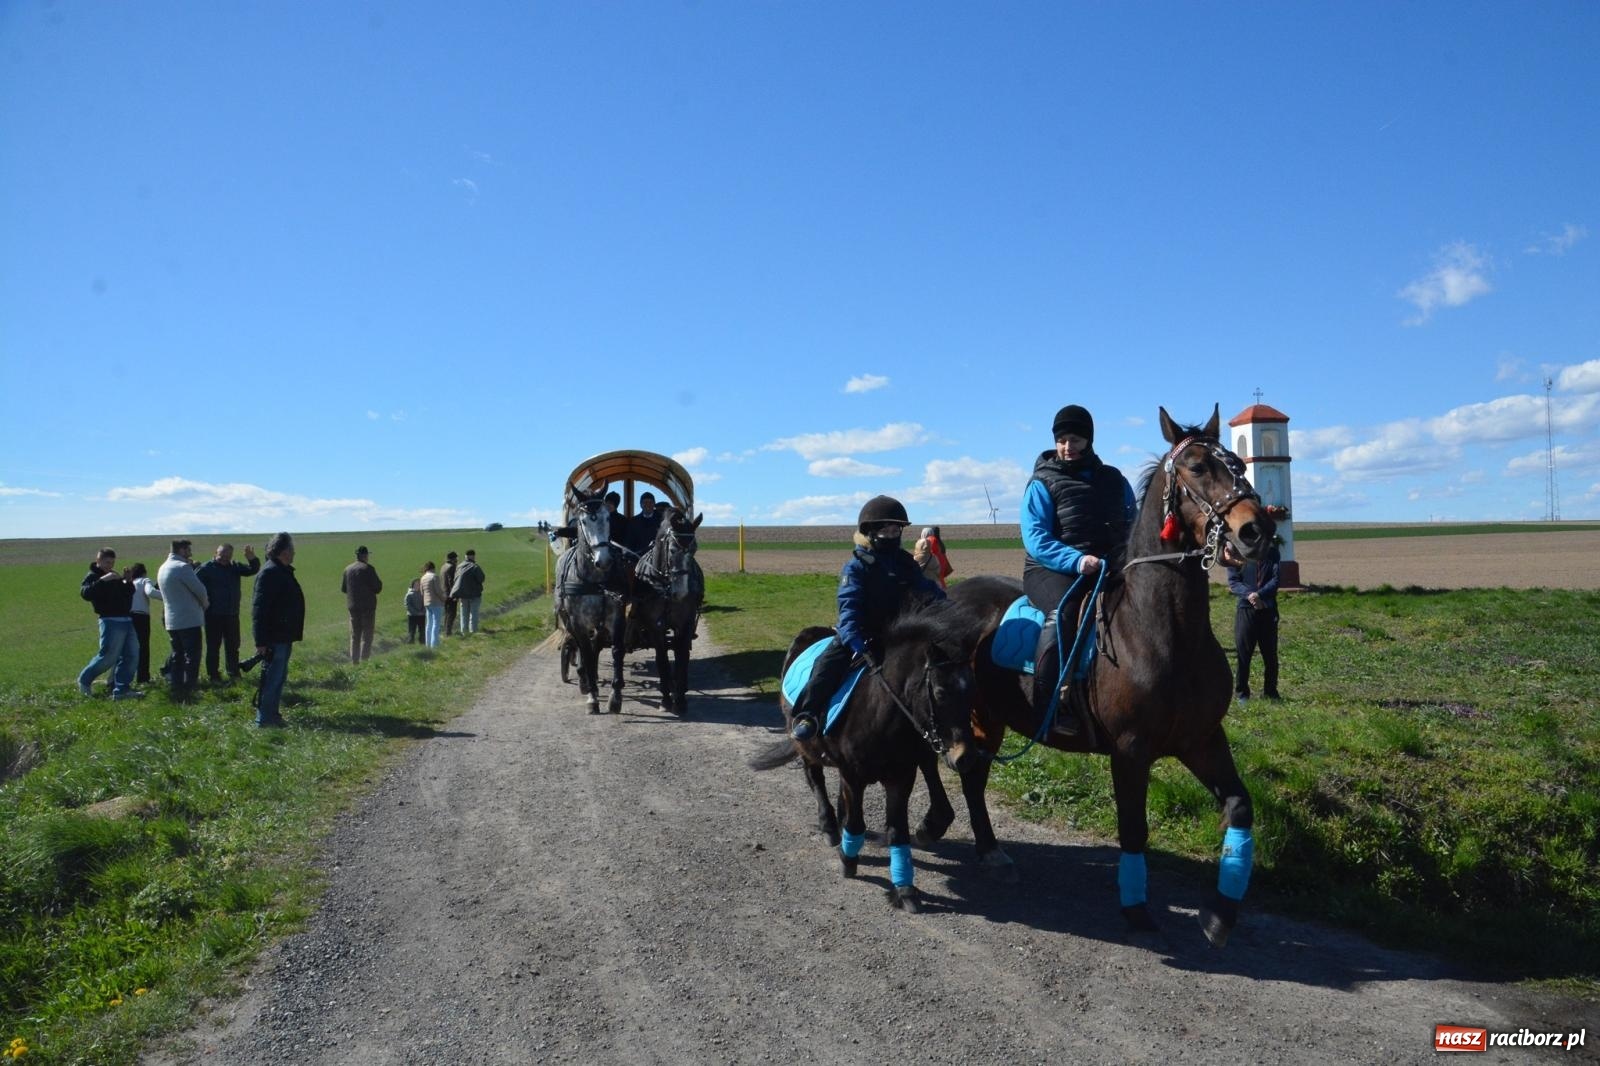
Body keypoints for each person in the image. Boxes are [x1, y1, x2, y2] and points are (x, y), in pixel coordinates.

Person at [1021, 404, 1136, 738]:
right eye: (1061, 440)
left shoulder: (1115, 480)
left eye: (1075, 439)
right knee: (1065, 613)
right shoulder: (1042, 482)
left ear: (1089, 440)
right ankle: (1050, 706)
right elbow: (1036, 538)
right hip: (1051, 570)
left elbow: (1133, 522)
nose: (1067, 446)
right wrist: (1076, 560)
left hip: (1107, 567)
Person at [788, 496, 945, 741]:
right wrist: (854, 640)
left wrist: (950, 607)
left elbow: (928, 590)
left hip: (899, 635)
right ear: (870, 532)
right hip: (860, 636)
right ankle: (808, 714)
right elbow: (849, 610)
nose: (892, 535)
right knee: (827, 666)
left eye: (896, 530)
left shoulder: (905, 562)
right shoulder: (856, 568)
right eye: (886, 530)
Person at [250, 532, 305, 727]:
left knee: (278, 678)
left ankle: (272, 715)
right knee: (272, 679)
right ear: (283, 551)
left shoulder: (280, 570)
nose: (294, 552)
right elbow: (259, 609)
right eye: (292, 549)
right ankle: (264, 720)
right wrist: (261, 642)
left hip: (282, 635)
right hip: (274, 637)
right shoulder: (270, 572)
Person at [78, 547, 142, 700]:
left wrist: (127, 581)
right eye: (106, 562)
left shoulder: (114, 575)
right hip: (110, 620)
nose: (110, 565)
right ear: (98, 561)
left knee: (131, 655)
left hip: (126, 619)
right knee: (108, 656)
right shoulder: (93, 576)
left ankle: (122, 689)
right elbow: (86, 594)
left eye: (112, 562)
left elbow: (126, 595)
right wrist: (102, 580)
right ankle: (84, 681)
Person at [1226, 540, 1282, 702]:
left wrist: (1260, 595)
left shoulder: (1272, 553)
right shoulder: (1236, 554)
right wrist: (1250, 595)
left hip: (1268, 609)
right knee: (1244, 654)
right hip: (1245, 610)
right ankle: (1242, 693)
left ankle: (1271, 692)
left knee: (1270, 654)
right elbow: (1234, 582)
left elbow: (1276, 580)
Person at [196, 542, 260, 682]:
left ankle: (233, 673)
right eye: (222, 554)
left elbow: (252, 570)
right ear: (215, 553)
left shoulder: (235, 567)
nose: (225, 557)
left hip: (232, 614)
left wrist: (252, 558)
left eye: (228, 555)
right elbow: (193, 585)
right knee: (213, 647)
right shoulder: (206, 568)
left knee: (233, 645)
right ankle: (213, 676)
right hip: (213, 615)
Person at [157, 539, 210, 699]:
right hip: (188, 618)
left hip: (171, 620)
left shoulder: (163, 567)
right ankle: (190, 686)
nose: (190, 554)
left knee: (177, 654)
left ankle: (176, 685)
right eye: (188, 550)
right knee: (192, 655)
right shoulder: (182, 567)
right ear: (181, 550)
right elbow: (200, 590)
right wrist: (205, 604)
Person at [340, 545, 384, 662]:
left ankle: (354, 662)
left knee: (355, 636)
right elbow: (378, 587)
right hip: (368, 607)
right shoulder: (368, 569)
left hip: (353, 606)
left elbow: (344, 589)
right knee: (367, 636)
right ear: (365, 556)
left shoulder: (347, 569)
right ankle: (364, 661)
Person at [126, 561, 162, 686]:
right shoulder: (144, 580)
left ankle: (123, 678)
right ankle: (143, 677)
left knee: (128, 648)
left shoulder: (127, 583)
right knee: (143, 647)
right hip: (141, 617)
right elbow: (151, 592)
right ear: (144, 572)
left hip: (126, 616)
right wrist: (168, 597)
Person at [451, 548, 486, 635]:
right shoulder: (475, 566)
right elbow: (481, 578)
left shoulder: (459, 566)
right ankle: (473, 632)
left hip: (462, 595)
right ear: (473, 556)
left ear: (465, 556)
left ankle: (464, 632)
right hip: (474, 595)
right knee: (473, 614)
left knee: (463, 615)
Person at [419, 561, 444, 647]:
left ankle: (428, 644)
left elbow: (422, 592)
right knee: (436, 624)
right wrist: (444, 599)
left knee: (429, 624)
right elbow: (438, 591)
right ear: (433, 568)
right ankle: (434, 645)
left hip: (427, 603)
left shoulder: (423, 578)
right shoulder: (434, 577)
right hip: (436, 603)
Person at [440, 551, 460, 637]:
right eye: (456, 558)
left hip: (444, 593)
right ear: (454, 559)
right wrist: (454, 594)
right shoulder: (452, 567)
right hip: (450, 594)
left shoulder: (443, 566)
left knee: (447, 612)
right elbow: (451, 582)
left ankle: (446, 631)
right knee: (452, 613)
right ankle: (448, 632)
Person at [404, 578, 425, 644]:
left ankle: (422, 643)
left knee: (422, 630)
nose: (417, 586)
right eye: (416, 584)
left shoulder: (422, 594)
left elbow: (425, 603)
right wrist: (416, 612)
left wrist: (422, 611)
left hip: (422, 615)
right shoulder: (409, 594)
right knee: (411, 631)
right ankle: (411, 643)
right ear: (412, 585)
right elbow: (408, 605)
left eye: (419, 584)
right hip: (412, 616)